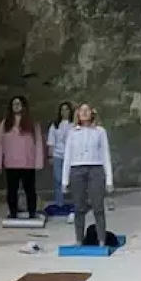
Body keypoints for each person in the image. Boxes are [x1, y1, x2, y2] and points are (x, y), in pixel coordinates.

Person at [61, 103, 114, 245]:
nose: (84, 113)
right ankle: (79, 239)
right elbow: (67, 156)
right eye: (81, 110)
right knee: (79, 207)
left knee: (98, 206)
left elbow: (106, 155)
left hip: (95, 169)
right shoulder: (72, 132)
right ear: (77, 114)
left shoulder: (100, 131)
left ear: (92, 113)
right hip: (76, 170)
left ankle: (101, 239)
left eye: (87, 110)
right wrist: (64, 181)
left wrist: (109, 180)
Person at [0, 95, 44, 219]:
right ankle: (13, 212)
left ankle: (32, 212)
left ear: (23, 106)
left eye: (18, 104)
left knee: (30, 190)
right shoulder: (5, 123)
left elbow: (38, 142)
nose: (16, 106)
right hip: (11, 163)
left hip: (28, 163)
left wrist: (38, 162)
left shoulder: (32, 123)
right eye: (14, 104)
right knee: (12, 191)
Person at [46, 102, 75, 210]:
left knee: (72, 179)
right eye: (62, 109)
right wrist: (50, 156)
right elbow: (51, 141)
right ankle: (59, 203)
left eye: (66, 109)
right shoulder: (55, 125)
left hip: (72, 156)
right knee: (58, 179)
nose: (64, 111)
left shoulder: (74, 125)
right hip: (57, 155)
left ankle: (75, 202)